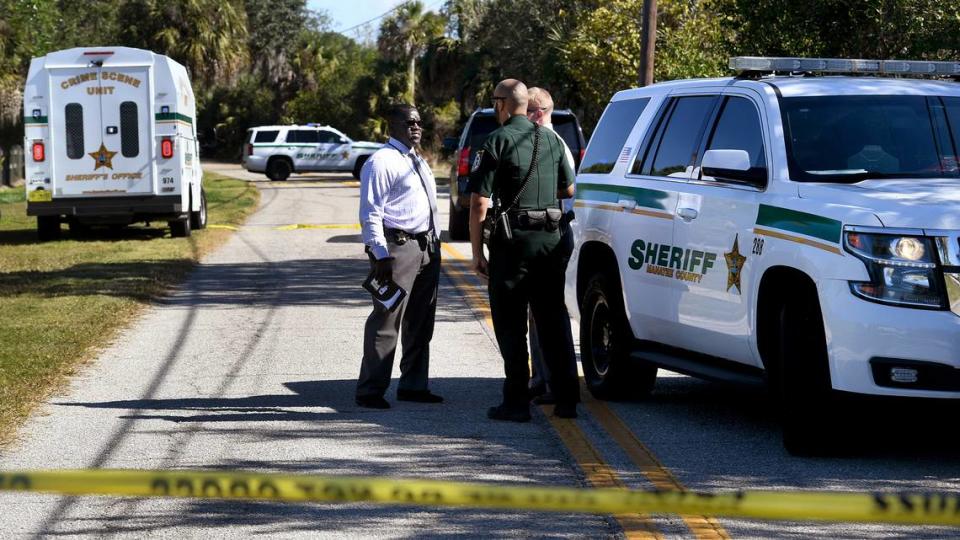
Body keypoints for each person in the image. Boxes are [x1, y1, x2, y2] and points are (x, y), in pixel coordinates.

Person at [468, 79, 579, 422]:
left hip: (512, 244)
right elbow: (568, 187)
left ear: (502, 104)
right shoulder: (552, 139)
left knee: (511, 324)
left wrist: (477, 253)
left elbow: (478, 203)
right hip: (550, 241)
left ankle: (515, 403)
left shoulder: (495, 141)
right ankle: (567, 400)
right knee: (553, 320)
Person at [356, 103, 443, 409]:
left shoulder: (417, 160)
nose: (416, 128)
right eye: (408, 123)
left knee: (421, 322)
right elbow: (371, 213)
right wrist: (379, 254)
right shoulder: (381, 162)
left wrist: (436, 242)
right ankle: (370, 390)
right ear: (391, 127)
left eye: (419, 123)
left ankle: (414, 385)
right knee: (387, 319)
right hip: (397, 249)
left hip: (426, 249)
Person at [525, 87, 577, 406]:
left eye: (527, 110)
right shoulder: (542, 142)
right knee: (539, 313)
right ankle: (542, 377)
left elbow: (566, 190)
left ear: (540, 112)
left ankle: (555, 383)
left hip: (552, 234)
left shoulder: (553, 145)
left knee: (550, 314)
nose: (522, 116)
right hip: (547, 233)